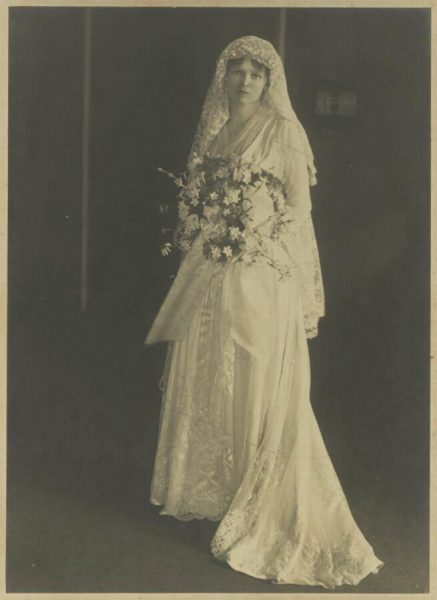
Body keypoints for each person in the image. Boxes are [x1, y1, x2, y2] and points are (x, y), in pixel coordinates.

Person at [145, 36, 384, 588]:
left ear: (269, 81)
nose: (247, 80)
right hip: (211, 272)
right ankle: (216, 488)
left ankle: (258, 498)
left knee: (252, 373)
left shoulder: (283, 131)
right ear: (223, 80)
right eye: (238, 71)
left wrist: (247, 236)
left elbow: (299, 209)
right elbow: (193, 203)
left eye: (257, 72)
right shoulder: (215, 133)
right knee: (210, 373)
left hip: (259, 273)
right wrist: (207, 225)